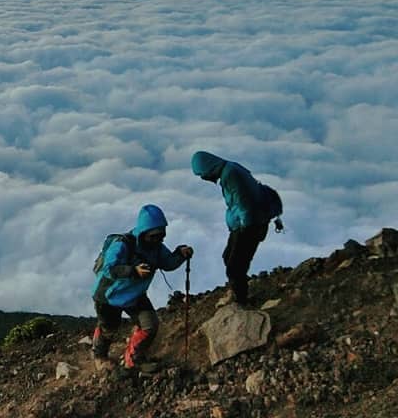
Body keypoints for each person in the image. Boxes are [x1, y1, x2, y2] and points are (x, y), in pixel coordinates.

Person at [91, 204, 193, 373]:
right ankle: (99, 356)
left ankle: (133, 359)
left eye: (161, 234)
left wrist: (180, 254)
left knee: (150, 325)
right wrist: (133, 271)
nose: (159, 239)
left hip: (134, 295)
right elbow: (110, 268)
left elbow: (167, 263)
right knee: (109, 328)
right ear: (144, 232)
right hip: (109, 295)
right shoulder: (123, 244)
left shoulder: (157, 248)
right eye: (154, 235)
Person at [191, 151, 283, 307]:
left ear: (208, 168)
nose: (203, 178)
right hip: (246, 224)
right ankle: (239, 292)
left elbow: (244, 203)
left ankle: (241, 302)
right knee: (229, 258)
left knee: (235, 267)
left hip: (249, 226)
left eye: (202, 174)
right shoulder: (230, 170)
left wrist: (245, 230)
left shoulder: (231, 176)